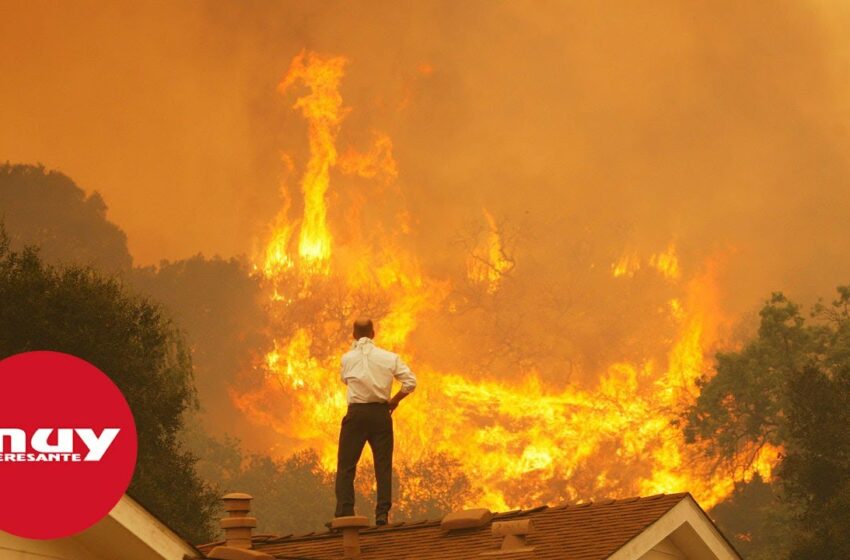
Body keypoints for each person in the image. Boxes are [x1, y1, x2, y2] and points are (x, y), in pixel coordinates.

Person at [334, 317, 417, 526]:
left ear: (354, 335)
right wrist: (394, 401)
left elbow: (345, 380)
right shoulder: (390, 358)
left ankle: (345, 513)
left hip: (357, 414)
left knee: (346, 466)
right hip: (381, 414)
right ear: (373, 333)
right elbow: (410, 382)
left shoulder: (347, 359)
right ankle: (382, 515)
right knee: (383, 466)